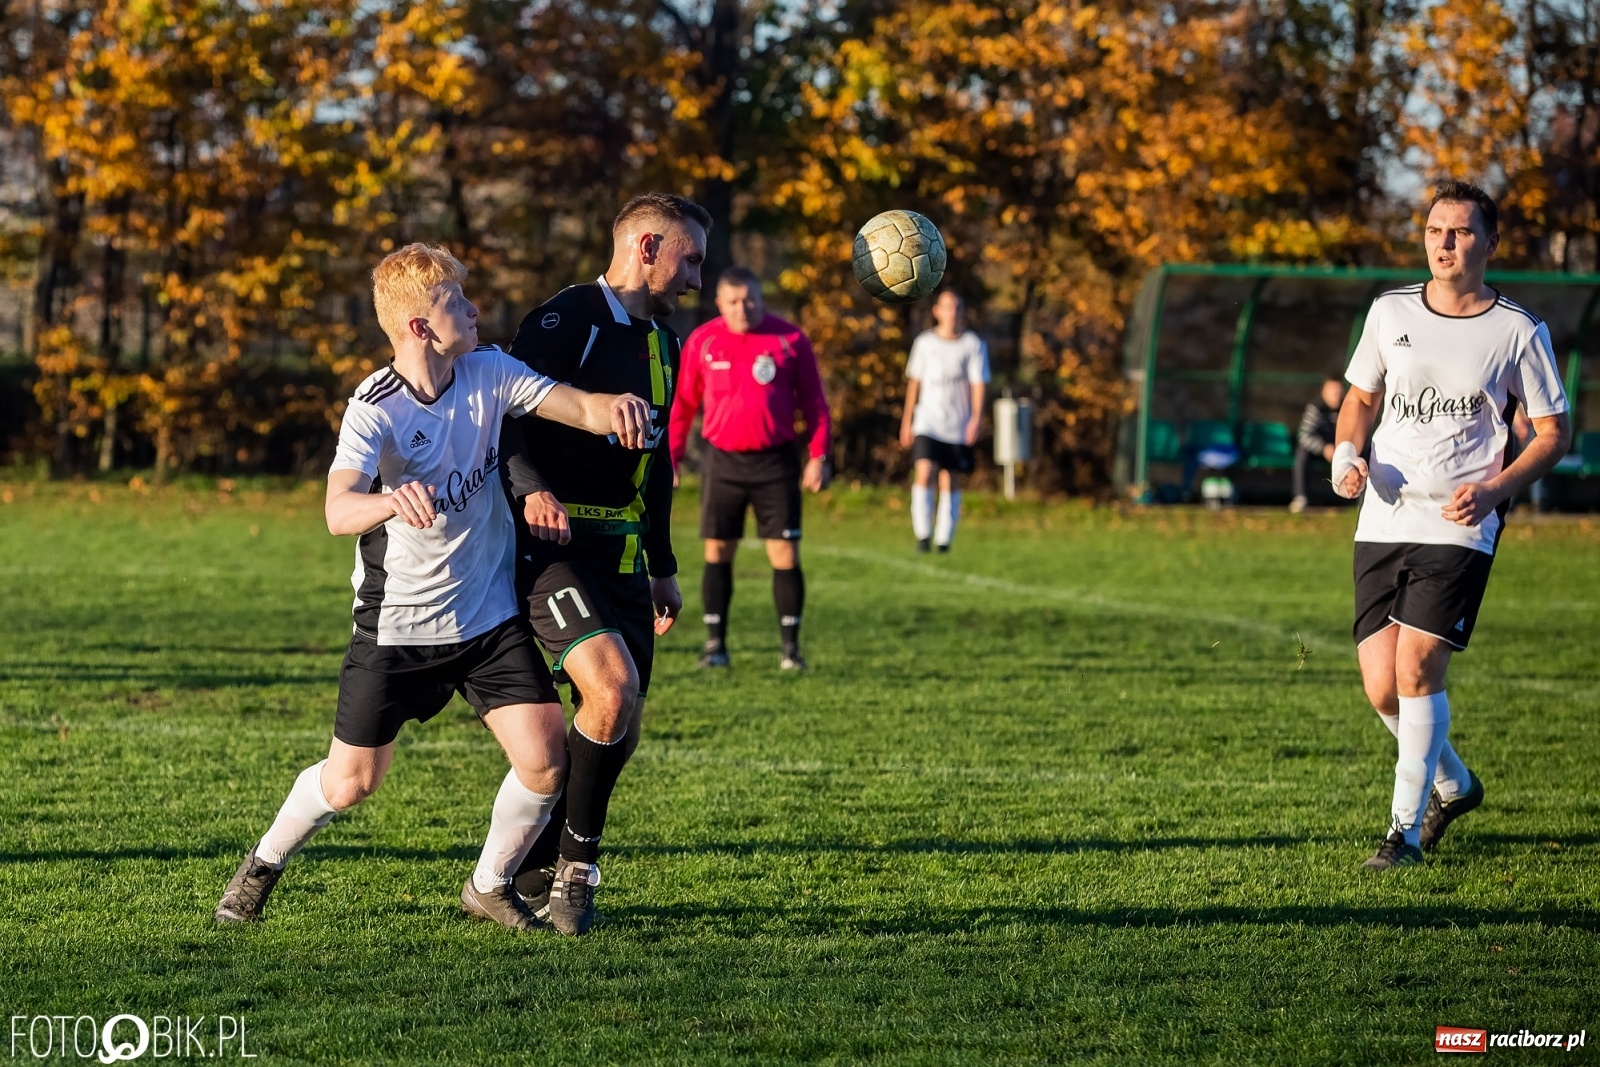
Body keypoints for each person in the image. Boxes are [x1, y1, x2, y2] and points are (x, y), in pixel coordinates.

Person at [215, 244, 651, 930]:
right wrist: (389, 501)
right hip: (399, 628)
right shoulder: (374, 406)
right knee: (351, 783)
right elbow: (337, 510)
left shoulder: (489, 372)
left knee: (544, 759)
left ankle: (488, 884)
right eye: (458, 302)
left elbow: (576, 406)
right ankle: (263, 862)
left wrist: (613, 408)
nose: (476, 310)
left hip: (487, 619)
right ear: (420, 326)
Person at [1331, 180, 1571, 871]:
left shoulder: (1519, 330)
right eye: (1437, 230)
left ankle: (1402, 835)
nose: (1446, 242)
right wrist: (1348, 456)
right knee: (1380, 684)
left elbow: (1553, 434)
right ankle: (1454, 784)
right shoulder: (1389, 310)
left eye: (1462, 231)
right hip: (1384, 514)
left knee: (1417, 665)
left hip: (1461, 526)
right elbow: (1358, 401)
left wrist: (1495, 489)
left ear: (1491, 243)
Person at [499, 192, 708, 935]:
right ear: (647, 247)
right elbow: (505, 415)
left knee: (621, 723)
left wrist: (661, 561)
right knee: (611, 693)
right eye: (690, 259)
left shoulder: (666, 344)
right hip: (552, 551)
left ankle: (523, 864)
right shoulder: (567, 320)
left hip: (622, 555)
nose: (696, 281)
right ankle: (577, 874)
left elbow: (657, 466)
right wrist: (531, 492)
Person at [670, 266, 831, 671]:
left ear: (761, 298)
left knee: (785, 553)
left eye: (751, 299)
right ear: (720, 303)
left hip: (776, 462)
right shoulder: (703, 341)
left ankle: (791, 650)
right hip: (722, 461)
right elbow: (683, 406)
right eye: (734, 301)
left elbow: (814, 404)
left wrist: (818, 455)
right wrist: (669, 458)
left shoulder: (789, 339)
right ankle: (715, 646)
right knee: (718, 551)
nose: (744, 308)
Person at [899, 291, 989, 552]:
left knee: (951, 478)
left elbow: (978, 384)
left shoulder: (972, 345)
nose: (953, 313)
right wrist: (908, 421)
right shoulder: (925, 343)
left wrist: (975, 419)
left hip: (957, 425)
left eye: (957, 308)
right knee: (924, 470)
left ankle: (944, 539)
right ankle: (923, 535)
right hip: (928, 422)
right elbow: (914, 383)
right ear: (937, 311)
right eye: (948, 307)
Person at [1291, 376, 1346, 513]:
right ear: (1324, 392)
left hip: (1342, 450)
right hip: (1320, 451)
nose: (1336, 395)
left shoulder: (1347, 408)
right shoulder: (1315, 408)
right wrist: (1324, 448)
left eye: (1339, 391)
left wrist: (1342, 448)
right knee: (1302, 453)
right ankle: (1301, 497)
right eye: (1332, 391)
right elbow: (1304, 435)